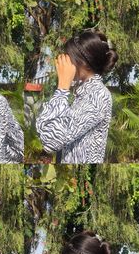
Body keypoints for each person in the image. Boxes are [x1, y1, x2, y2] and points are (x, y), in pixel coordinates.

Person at [36, 31, 118, 163]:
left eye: (68, 57)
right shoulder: (84, 92)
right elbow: (44, 129)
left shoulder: (98, 95)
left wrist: (62, 86)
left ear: (83, 62)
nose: (64, 61)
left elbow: (50, 141)